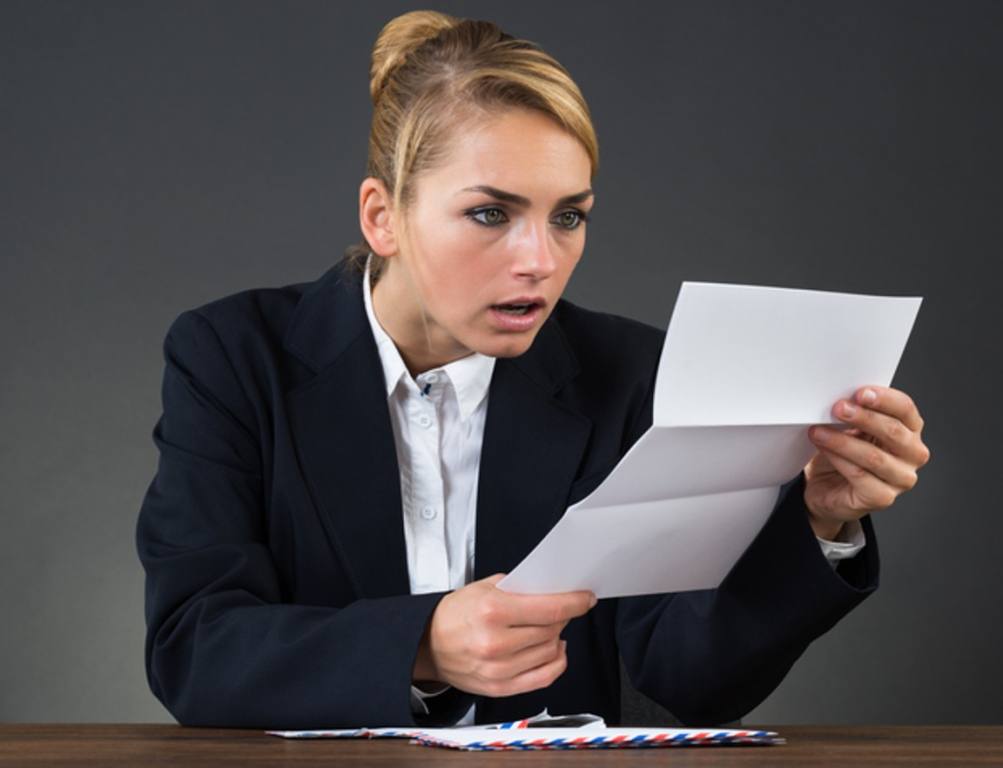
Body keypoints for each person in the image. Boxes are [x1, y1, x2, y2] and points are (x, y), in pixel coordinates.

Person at [136, 11, 930, 730]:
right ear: (382, 216)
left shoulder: (629, 373)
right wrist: (421, 645)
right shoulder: (233, 356)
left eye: (568, 216)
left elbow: (682, 680)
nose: (540, 261)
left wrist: (817, 522)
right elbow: (194, 648)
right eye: (491, 213)